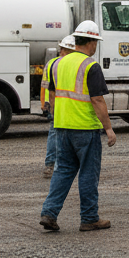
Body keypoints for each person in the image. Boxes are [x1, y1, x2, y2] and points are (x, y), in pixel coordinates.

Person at [39, 20, 117, 232]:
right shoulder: (90, 65)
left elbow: (53, 95)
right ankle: (89, 218)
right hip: (85, 128)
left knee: (63, 171)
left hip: (62, 126)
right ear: (91, 42)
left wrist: (57, 117)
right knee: (88, 173)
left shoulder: (57, 64)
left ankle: (49, 213)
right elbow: (97, 100)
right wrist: (108, 128)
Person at [41, 35, 77, 178]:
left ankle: (53, 164)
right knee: (58, 134)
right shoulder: (72, 64)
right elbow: (46, 86)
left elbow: (44, 85)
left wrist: (44, 104)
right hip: (63, 105)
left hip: (59, 104)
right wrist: (45, 103)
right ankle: (52, 164)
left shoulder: (52, 64)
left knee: (57, 133)